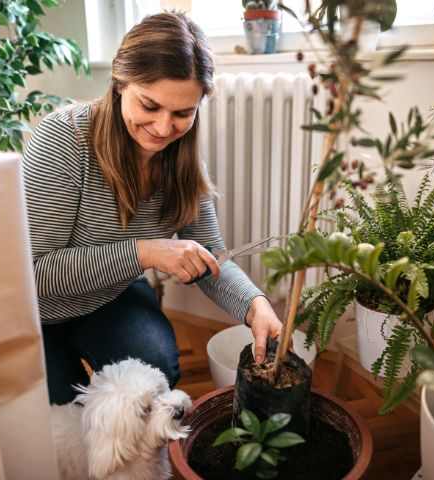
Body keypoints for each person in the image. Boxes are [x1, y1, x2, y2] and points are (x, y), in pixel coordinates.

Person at [22, 12, 284, 405]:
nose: (164, 129)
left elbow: (211, 257)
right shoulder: (63, 139)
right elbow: (35, 274)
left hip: (108, 295)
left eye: (183, 113)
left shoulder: (182, 161)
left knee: (155, 371)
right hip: (36, 313)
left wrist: (255, 305)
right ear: (119, 84)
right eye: (149, 105)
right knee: (63, 412)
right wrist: (146, 252)